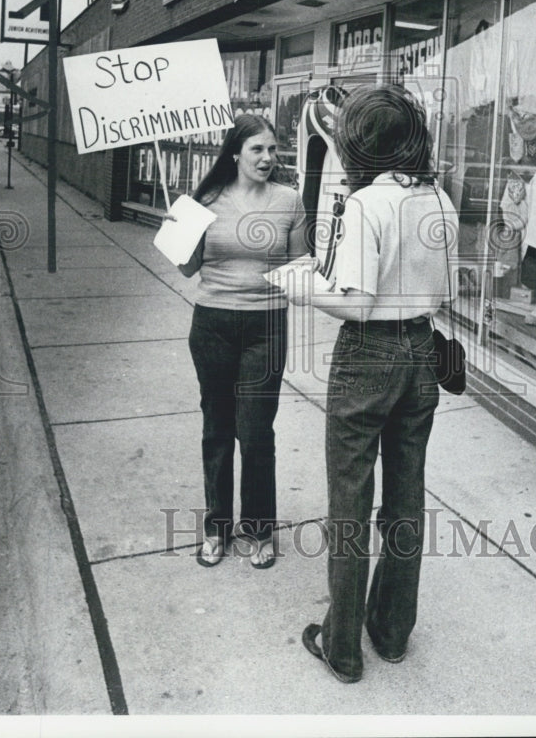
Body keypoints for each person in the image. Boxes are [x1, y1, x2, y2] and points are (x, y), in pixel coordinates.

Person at [289, 85, 458, 683]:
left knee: (350, 504)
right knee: (406, 498)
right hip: (421, 350)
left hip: (368, 354)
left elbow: (355, 304)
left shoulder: (368, 204)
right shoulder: (440, 199)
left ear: (359, 144)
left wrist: (296, 286)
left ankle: (341, 645)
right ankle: (390, 631)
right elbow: (440, 289)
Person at [179, 114, 308, 570]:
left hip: (266, 326)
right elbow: (187, 269)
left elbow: (299, 270)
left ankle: (259, 530)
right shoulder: (206, 201)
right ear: (235, 153)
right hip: (212, 322)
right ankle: (217, 528)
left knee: (255, 433)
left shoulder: (290, 201)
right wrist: (179, 228)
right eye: (258, 149)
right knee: (217, 429)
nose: (268, 158)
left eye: (273, 149)